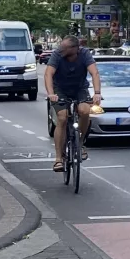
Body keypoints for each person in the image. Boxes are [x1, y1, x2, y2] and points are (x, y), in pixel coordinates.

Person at [45, 35, 101, 172]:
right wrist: (51, 94)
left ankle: (80, 144)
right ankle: (58, 158)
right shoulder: (57, 54)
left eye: (65, 47)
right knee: (62, 117)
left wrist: (97, 92)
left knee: (85, 111)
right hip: (60, 89)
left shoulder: (84, 54)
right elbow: (48, 74)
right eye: (61, 46)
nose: (61, 49)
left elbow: (94, 73)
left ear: (76, 48)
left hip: (79, 89)